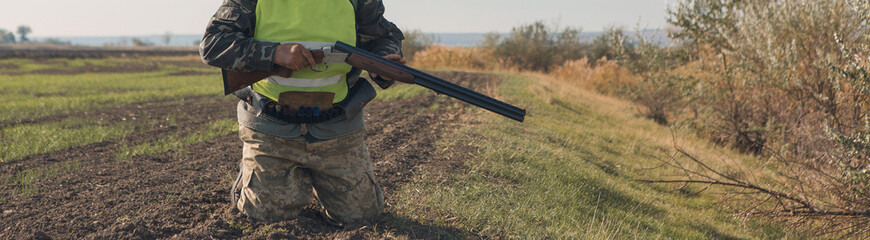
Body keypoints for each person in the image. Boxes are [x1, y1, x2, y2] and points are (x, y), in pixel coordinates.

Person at [199, 0, 405, 225]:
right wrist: (274, 53)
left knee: (362, 217)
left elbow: (383, 37)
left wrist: (384, 61)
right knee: (264, 217)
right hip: (270, 129)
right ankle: (251, 177)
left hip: (337, 130)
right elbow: (213, 44)